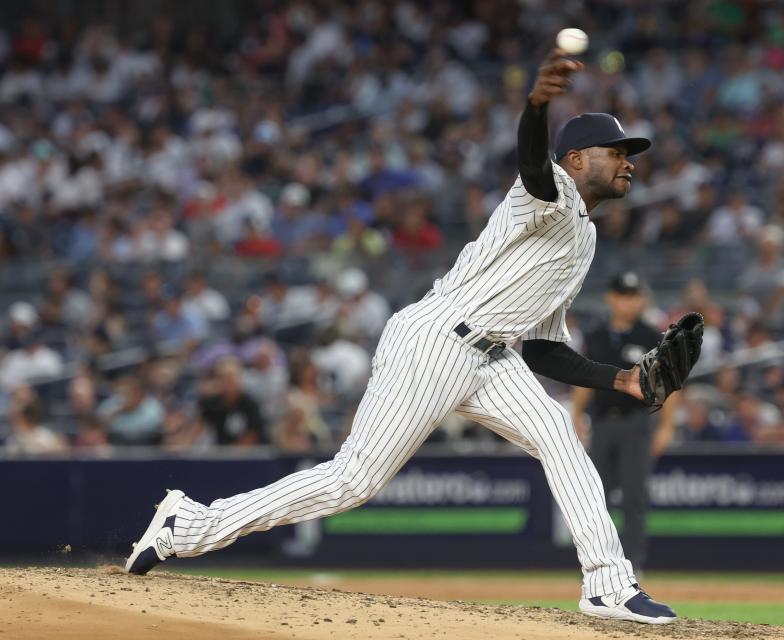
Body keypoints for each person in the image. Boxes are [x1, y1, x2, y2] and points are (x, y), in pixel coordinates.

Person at [125, 49, 680, 625]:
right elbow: (536, 165)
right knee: (352, 481)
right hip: (437, 339)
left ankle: (608, 584)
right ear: (576, 158)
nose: (628, 163)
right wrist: (536, 105)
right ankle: (188, 525)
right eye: (615, 152)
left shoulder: (584, 240)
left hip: (494, 357)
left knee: (560, 433)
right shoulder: (550, 192)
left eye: (628, 154)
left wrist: (624, 379)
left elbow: (542, 348)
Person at [570, 272, 676, 577]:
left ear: (641, 299)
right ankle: (598, 562)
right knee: (594, 496)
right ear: (610, 297)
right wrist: (577, 413)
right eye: (621, 295)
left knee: (634, 496)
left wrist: (667, 426)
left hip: (636, 422)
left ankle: (632, 565)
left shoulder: (652, 337)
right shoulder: (596, 334)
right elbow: (584, 376)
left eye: (632, 296)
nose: (627, 302)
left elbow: (670, 383)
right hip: (602, 421)